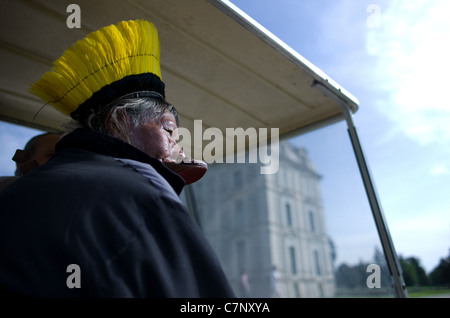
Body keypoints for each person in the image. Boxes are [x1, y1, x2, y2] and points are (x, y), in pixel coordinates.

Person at [0, 19, 235, 298]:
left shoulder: (16, 193)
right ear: (119, 120)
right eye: (169, 130)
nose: (176, 145)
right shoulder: (142, 191)